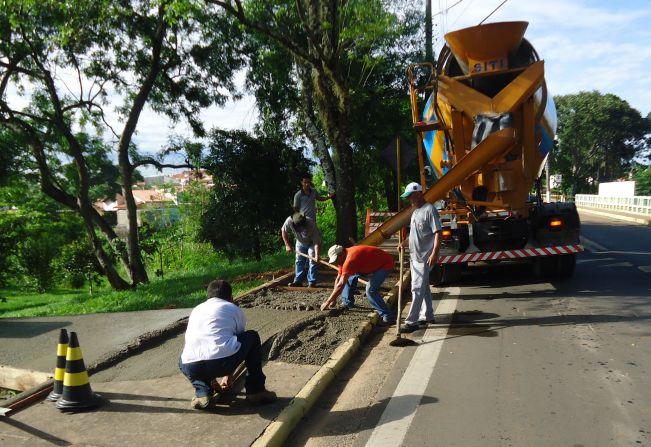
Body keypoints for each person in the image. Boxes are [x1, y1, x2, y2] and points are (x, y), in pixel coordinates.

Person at [179, 280, 276, 409]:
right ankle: (256, 391)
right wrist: (228, 375)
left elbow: (205, 349)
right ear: (231, 298)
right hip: (221, 362)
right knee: (252, 336)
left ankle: (203, 392)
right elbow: (236, 343)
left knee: (184, 357)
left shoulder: (196, 310)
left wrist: (212, 380)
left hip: (191, 366)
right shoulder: (233, 309)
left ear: (208, 297)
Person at [398, 182, 442, 333]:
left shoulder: (430, 210)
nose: (409, 199)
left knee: (417, 288)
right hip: (414, 256)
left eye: (410, 196)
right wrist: (404, 244)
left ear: (418, 194)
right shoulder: (415, 212)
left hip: (425, 257)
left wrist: (434, 252)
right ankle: (427, 315)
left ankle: (411, 321)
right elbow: (413, 235)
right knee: (424, 288)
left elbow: (438, 232)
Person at [320, 244, 395, 325]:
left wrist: (327, 301)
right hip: (368, 264)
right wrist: (333, 299)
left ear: (341, 254)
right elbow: (338, 279)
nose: (336, 262)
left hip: (385, 264)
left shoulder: (350, 259)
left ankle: (387, 316)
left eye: (336, 259)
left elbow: (341, 284)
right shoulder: (342, 258)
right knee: (349, 277)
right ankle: (347, 302)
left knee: (370, 290)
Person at [281, 212, 322, 287]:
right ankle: (297, 281)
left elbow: (316, 242)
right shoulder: (289, 221)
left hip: (312, 242)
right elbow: (283, 231)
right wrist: (287, 245)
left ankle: (312, 282)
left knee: (313, 260)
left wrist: (317, 255)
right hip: (300, 242)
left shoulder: (311, 223)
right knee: (299, 260)